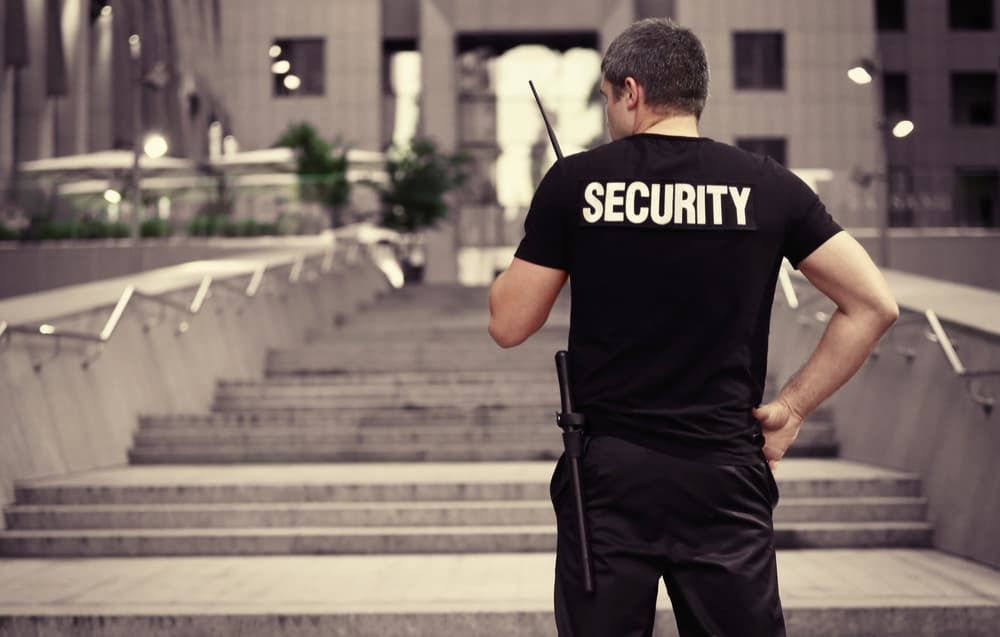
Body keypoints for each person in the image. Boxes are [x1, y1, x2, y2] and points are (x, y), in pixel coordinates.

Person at [487, 17, 899, 637]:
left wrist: (559, 225)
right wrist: (791, 408)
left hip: (609, 472)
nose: (607, 114)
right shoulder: (770, 186)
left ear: (631, 91)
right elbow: (874, 304)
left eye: (605, 99)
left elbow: (509, 323)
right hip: (724, 473)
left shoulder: (576, 183)